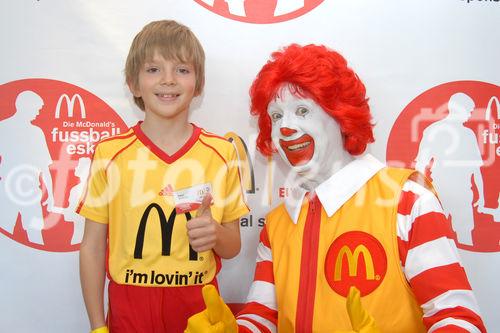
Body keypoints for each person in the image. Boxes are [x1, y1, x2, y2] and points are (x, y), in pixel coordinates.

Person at [185, 44, 486, 332]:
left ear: (340, 115)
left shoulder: (408, 201)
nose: (286, 128)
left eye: (302, 111)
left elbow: (458, 318)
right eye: (276, 116)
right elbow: (263, 316)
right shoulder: (277, 226)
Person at [77, 20, 249, 333]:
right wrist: (97, 325)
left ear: (198, 84)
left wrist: (215, 234)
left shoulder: (222, 153)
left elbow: (233, 244)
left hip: (198, 309)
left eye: (182, 70)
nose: (168, 80)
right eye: (153, 69)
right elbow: (92, 247)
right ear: (133, 82)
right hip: (129, 310)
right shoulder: (110, 154)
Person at [415, 92, 485, 246]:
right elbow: (421, 163)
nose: (470, 115)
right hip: (440, 194)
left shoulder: (467, 134)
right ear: (459, 109)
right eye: (469, 111)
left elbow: (475, 169)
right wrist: (420, 193)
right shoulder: (438, 131)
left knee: (462, 237)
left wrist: (481, 195)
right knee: (433, 238)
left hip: (460, 194)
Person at [0, 90, 55, 245]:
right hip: (7, 190)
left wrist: (51, 194)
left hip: (30, 191)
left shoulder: (36, 132)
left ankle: (41, 266)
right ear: (24, 106)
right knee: (4, 235)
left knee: (36, 237)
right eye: (36, 109)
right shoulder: (3, 128)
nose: (38, 113)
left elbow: (44, 167)